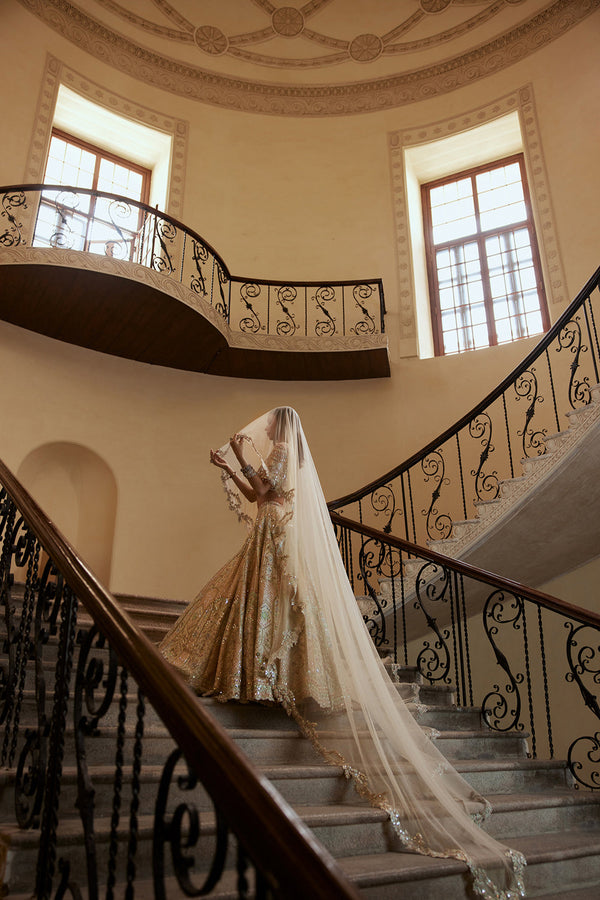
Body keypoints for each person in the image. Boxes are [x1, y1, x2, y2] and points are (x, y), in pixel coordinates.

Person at [160, 407, 526, 899]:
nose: (263, 425)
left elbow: (266, 490)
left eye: (269, 422)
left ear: (282, 426)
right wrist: (230, 468)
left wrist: (243, 455)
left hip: (276, 536)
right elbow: (257, 496)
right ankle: (255, 675)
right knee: (255, 606)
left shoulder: (283, 450)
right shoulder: (280, 451)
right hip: (267, 530)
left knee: (277, 609)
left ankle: (275, 677)